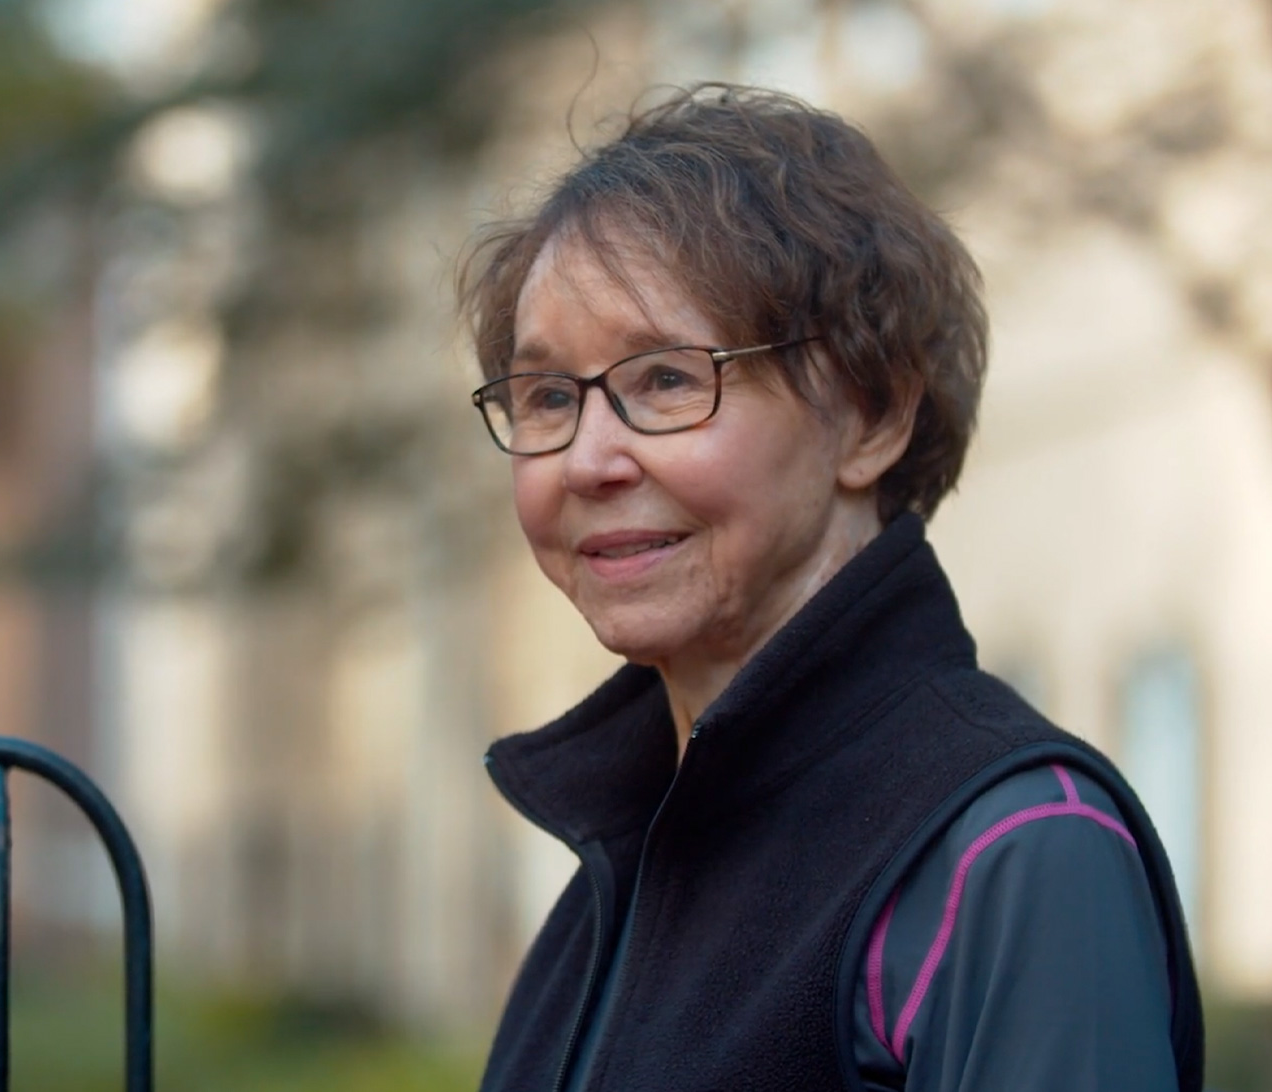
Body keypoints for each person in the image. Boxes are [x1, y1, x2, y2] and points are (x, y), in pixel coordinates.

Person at [456, 84, 1202, 1092]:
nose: (589, 458)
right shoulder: (629, 852)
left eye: (668, 380)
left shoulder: (1013, 851)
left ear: (873, 417)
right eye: (548, 397)